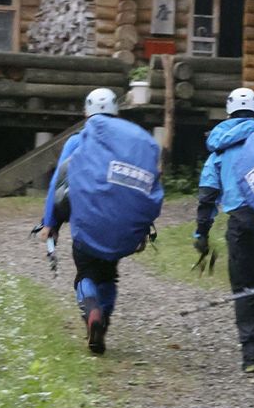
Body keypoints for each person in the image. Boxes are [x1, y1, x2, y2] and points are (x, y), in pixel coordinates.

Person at [40, 88, 164, 355]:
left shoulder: (78, 141)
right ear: (115, 112)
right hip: (119, 228)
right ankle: (102, 323)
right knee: (108, 276)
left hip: (87, 227)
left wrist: (49, 223)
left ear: (87, 112)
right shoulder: (130, 143)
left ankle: (92, 312)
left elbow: (57, 183)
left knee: (85, 274)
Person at [195, 87, 254, 374]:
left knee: (242, 289)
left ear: (228, 110)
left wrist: (201, 234)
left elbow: (208, 195)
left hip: (240, 223)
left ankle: (251, 356)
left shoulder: (219, 150)